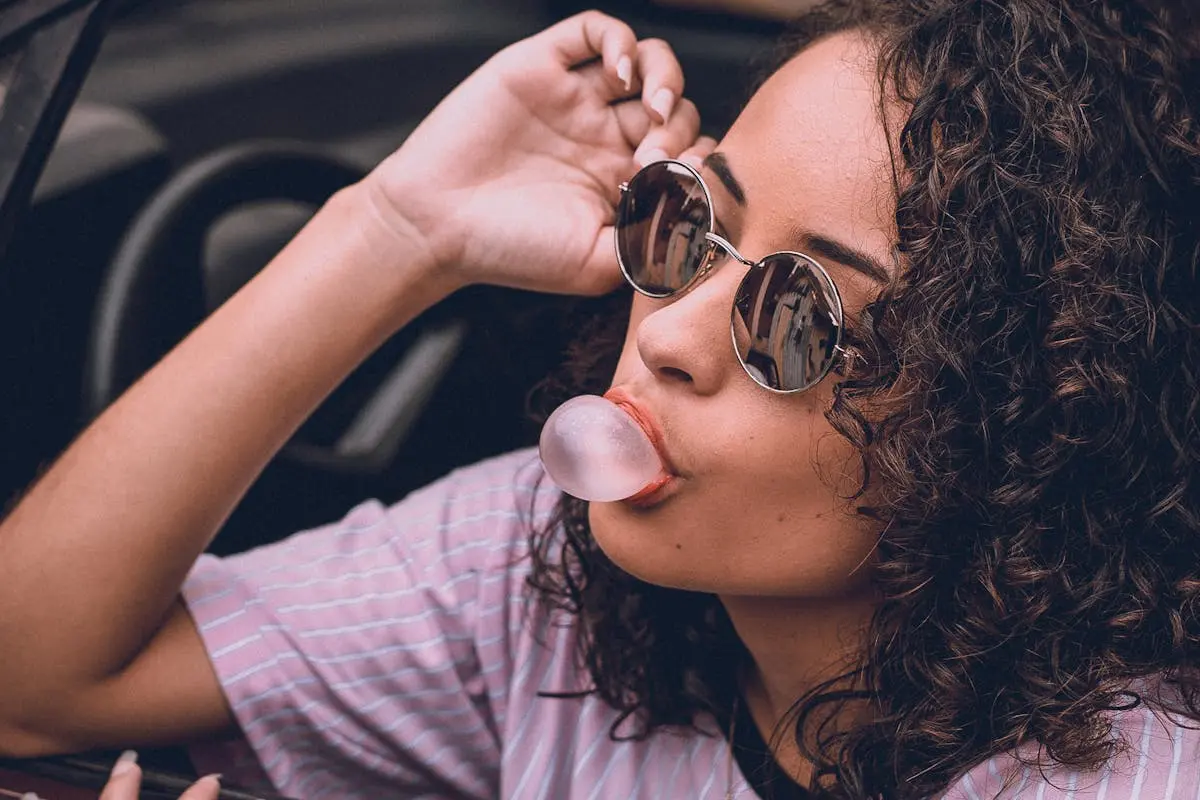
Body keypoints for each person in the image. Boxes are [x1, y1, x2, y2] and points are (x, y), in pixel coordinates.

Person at [0, 1, 1198, 798]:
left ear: (1023, 421)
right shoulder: (543, 573)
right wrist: (397, 227)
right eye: (688, 224)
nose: (670, 332)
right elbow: (28, 672)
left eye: (793, 313)